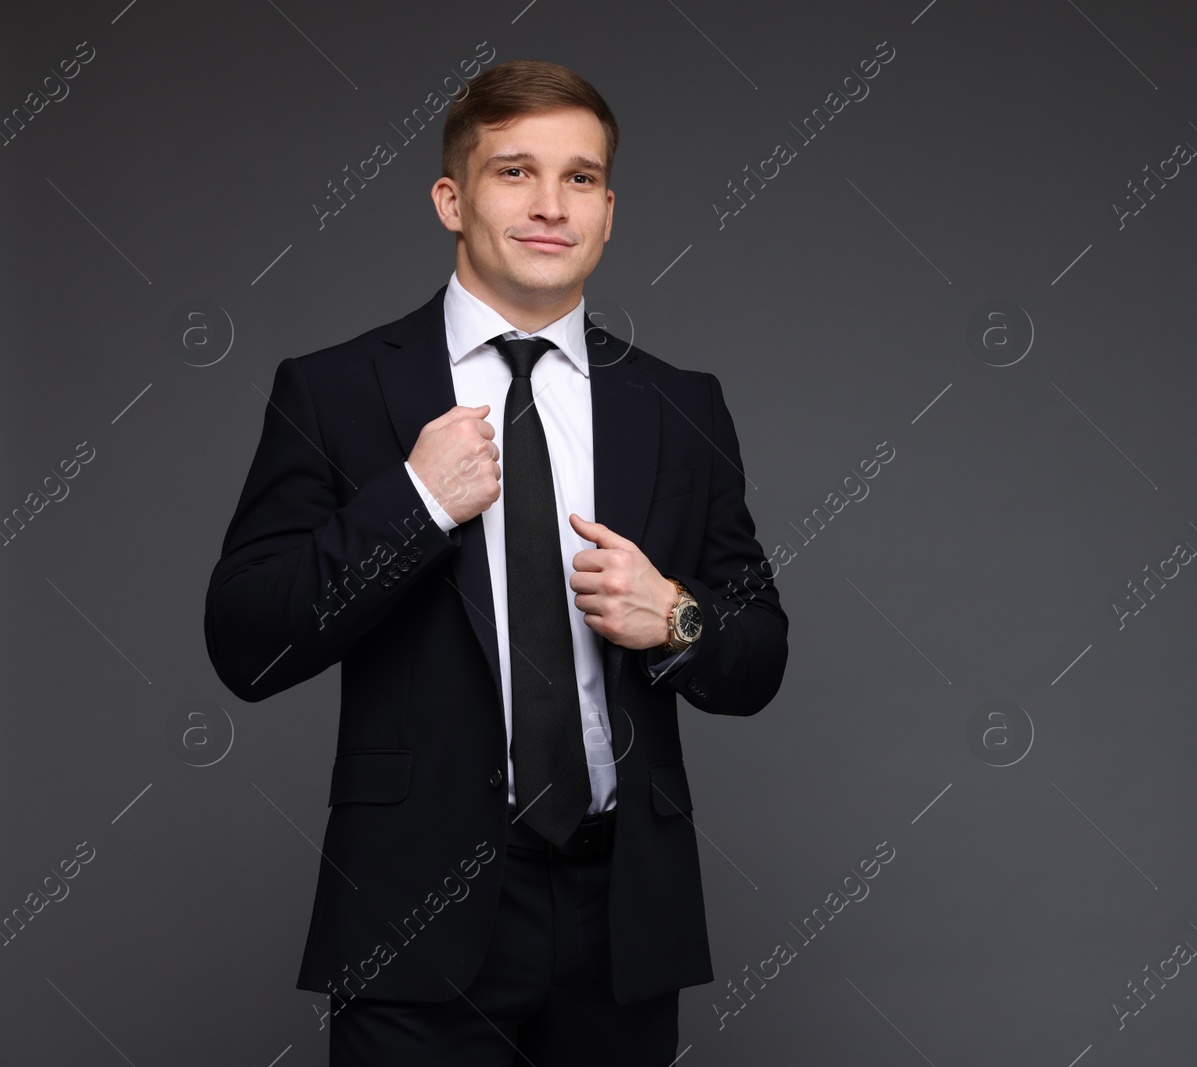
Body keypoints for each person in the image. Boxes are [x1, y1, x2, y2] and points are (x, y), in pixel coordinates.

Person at [204, 57, 788, 1065]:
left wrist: (676, 614)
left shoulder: (681, 405)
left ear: (608, 209)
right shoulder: (336, 390)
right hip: (412, 913)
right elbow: (247, 642)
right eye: (515, 172)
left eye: (579, 178)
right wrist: (418, 500)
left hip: (622, 919)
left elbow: (759, 656)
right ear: (451, 198)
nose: (550, 205)